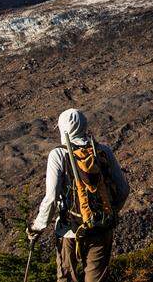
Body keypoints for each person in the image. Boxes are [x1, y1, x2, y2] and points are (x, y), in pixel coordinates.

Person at [28, 108, 129, 282]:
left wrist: (37, 227)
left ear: (63, 129)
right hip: (100, 229)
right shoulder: (103, 150)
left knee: (66, 278)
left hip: (69, 231)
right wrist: (107, 211)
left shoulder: (58, 154)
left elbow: (51, 198)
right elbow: (123, 189)